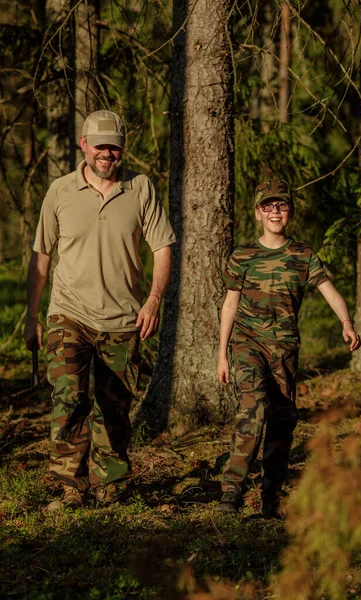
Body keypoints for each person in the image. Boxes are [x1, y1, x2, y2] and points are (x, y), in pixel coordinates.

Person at [23, 110, 176, 509]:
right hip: (68, 313)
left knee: (115, 405)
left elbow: (163, 248)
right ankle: (70, 485)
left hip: (124, 319)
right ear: (83, 144)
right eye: (100, 145)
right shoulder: (59, 191)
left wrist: (154, 299)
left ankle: (109, 481)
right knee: (69, 397)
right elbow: (41, 255)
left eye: (114, 146)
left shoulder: (140, 188)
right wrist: (32, 315)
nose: (107, 153)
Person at [216, 179, 361, 517]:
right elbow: (229, 306)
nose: (275, 211)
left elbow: (328, 290)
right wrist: (222, 354)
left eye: (281, 205)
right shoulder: (243, 255)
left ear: (289, 211)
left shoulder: (303, 255)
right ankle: (230, 493)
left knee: (283, 419)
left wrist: (346, 323)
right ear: (257, 213)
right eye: (268, 205)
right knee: (254, 409)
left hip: (285, 350)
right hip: (247, 345)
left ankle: (271, 495)